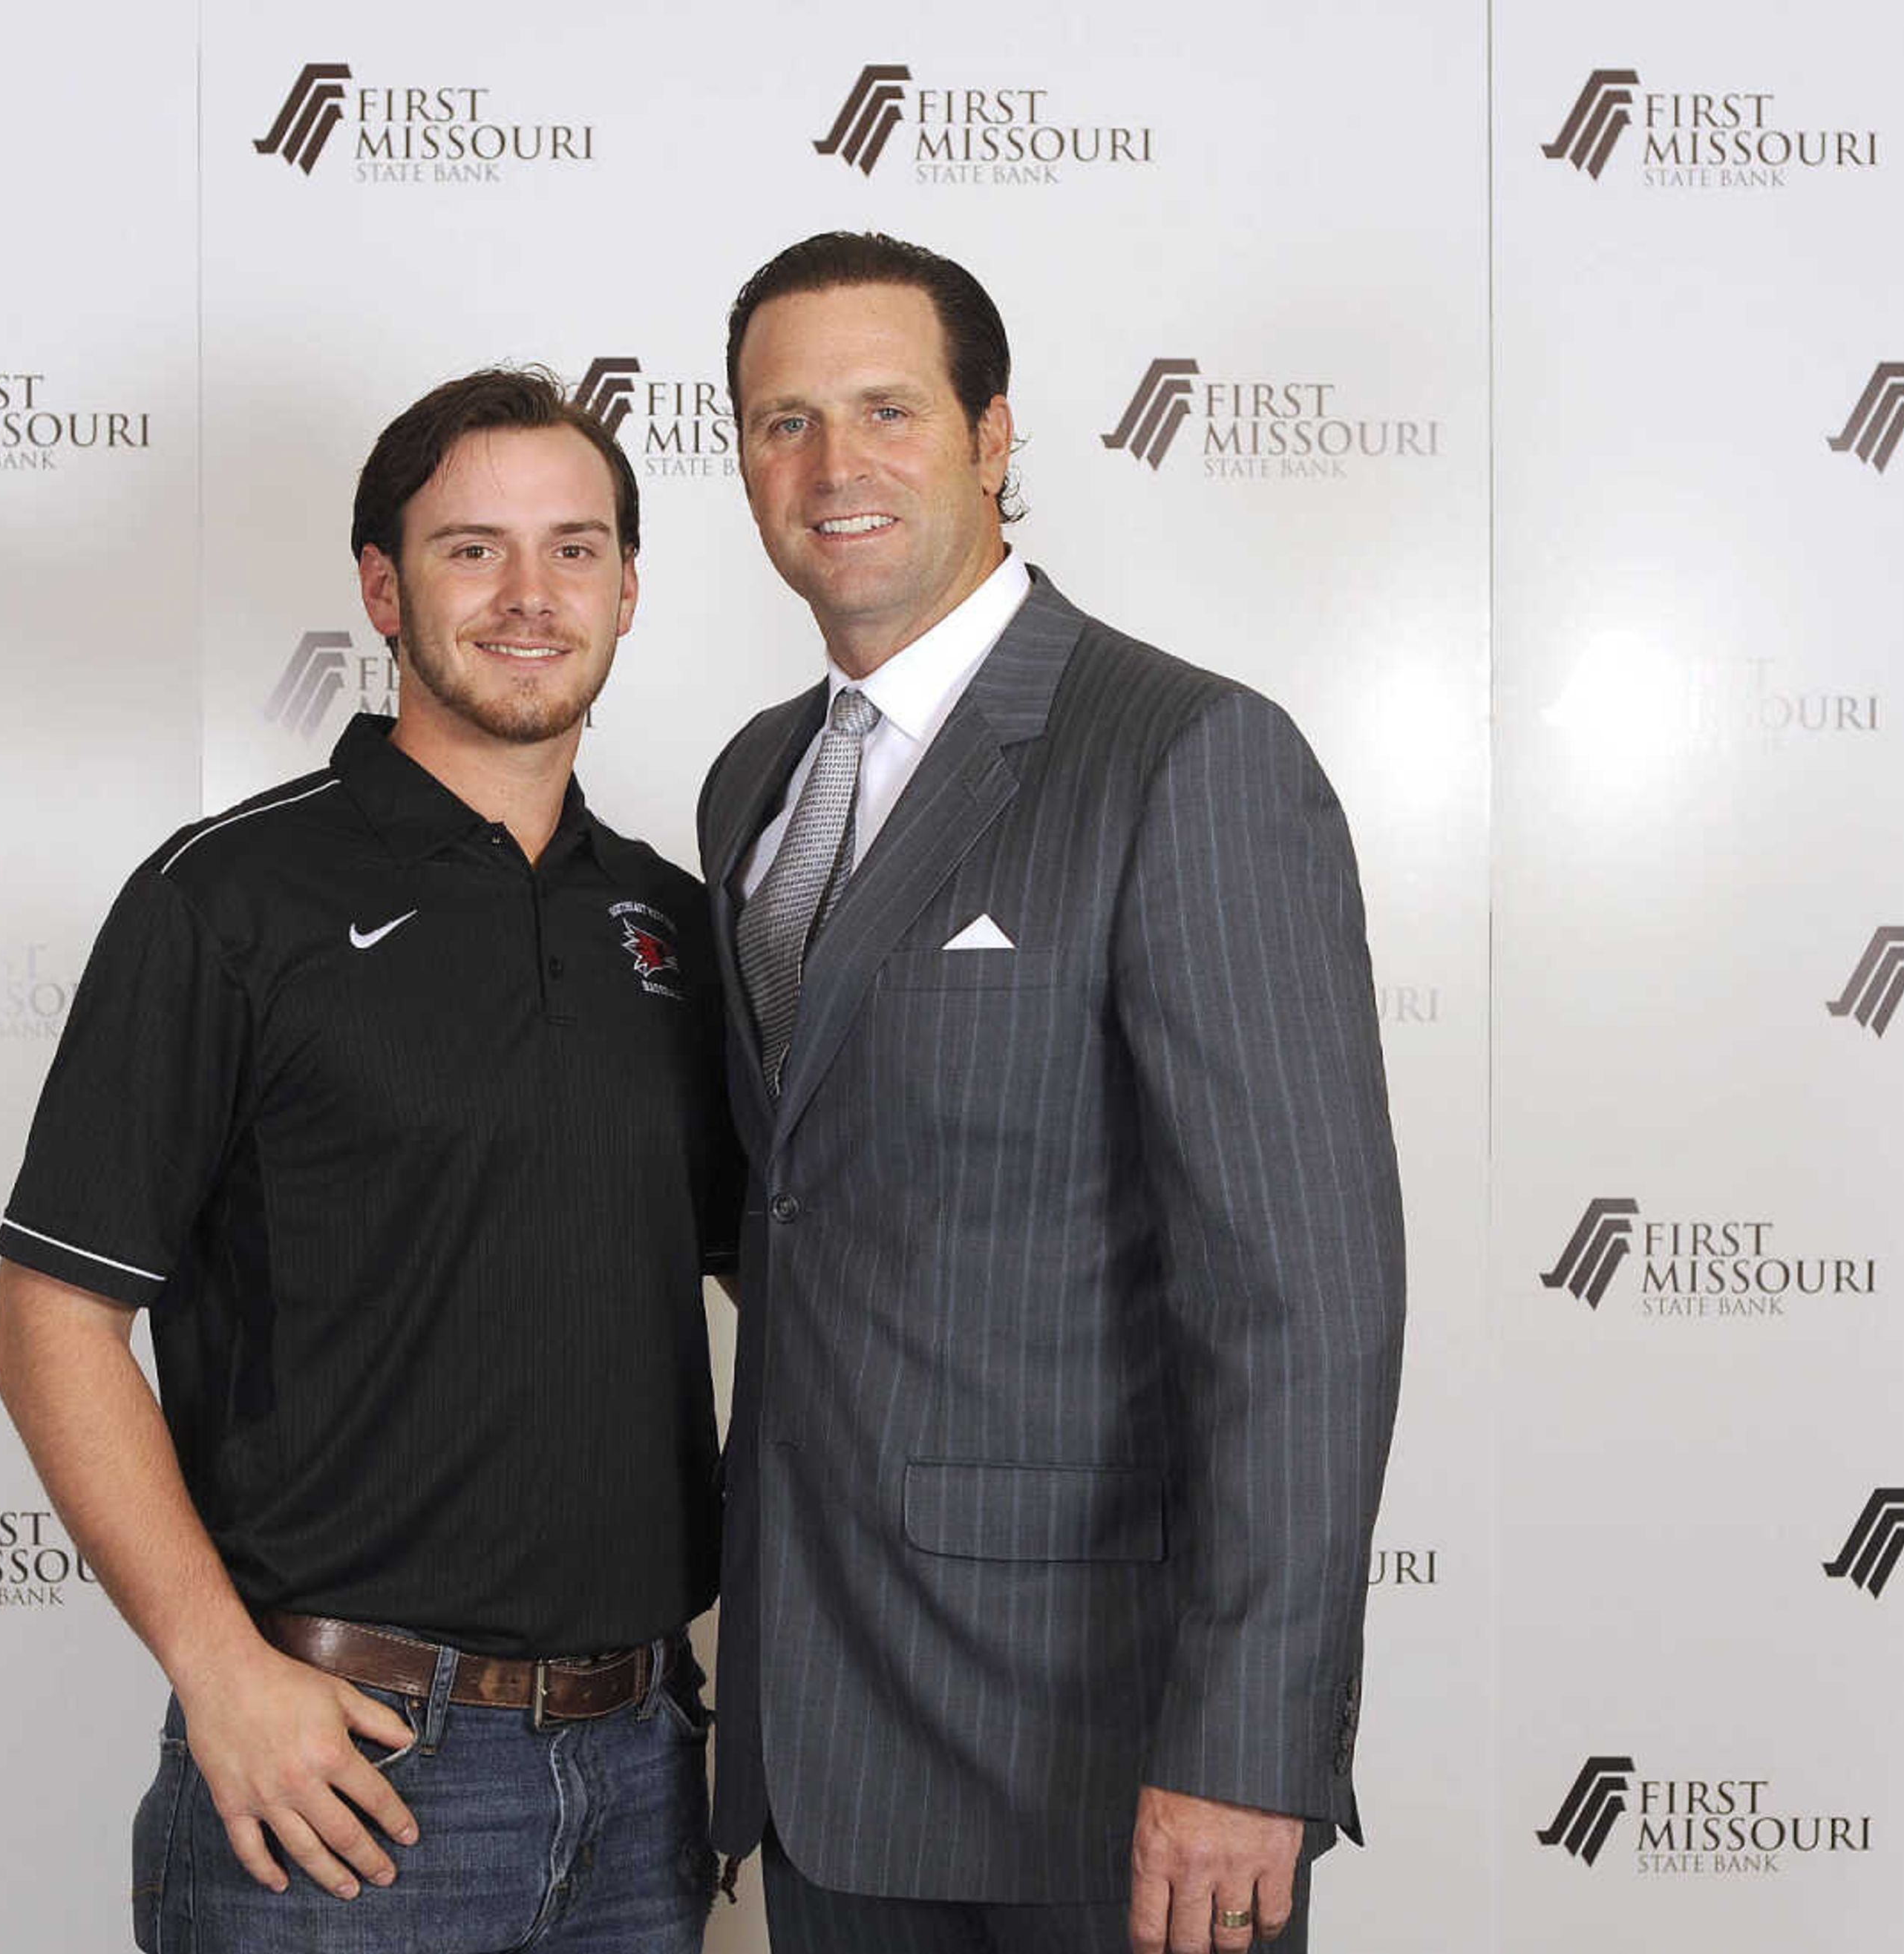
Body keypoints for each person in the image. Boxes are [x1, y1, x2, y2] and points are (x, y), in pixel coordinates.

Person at [696, 232, 1406, 1954]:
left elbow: (1303, 1301)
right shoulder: (753, 784)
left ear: (995, 436)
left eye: (886, 410)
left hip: (1106, 1769)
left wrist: (1250, 1745)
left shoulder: (1187, 756)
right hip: (821, 1746)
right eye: (782, 422)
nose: (833, 468)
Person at [0, 368, 733, 1954]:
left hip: (648, 1778)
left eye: (577, 550)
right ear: (384, 590)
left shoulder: (673, 920)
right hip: (348, 1781)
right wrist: (219, 1671)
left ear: (630, 587)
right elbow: (50, 1323)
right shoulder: (228, 902)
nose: (533, 596)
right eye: (475, 551)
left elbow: (805, 1273)